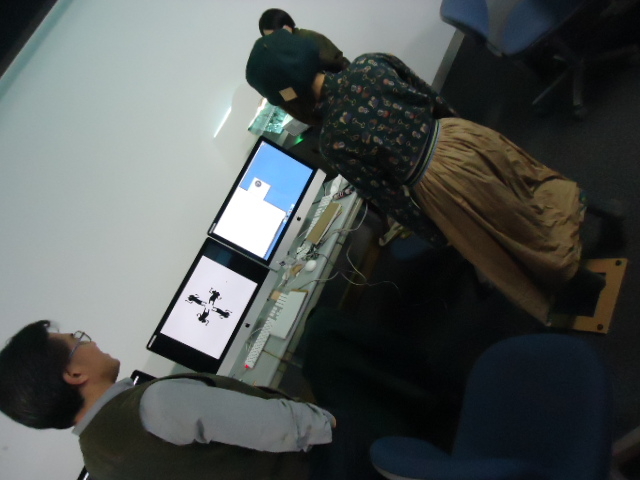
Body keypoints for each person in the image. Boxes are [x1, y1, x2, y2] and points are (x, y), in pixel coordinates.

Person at [246, 30, 608, 325]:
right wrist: (465, 133)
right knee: (524, 188)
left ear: (286, 99)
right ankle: (578, 213)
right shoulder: (372, 63)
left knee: (507, 236)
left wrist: (437, 234)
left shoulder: (332, 141)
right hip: (461, 138)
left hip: (441, 183)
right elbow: (433, 99)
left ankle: (570, 276)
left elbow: (389, 197)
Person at [0, 320, 356, 480]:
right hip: (326, 465)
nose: (91, 342)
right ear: (75, 374)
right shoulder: (157, 403)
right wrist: (339, 425)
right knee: (330, 342)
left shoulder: (98, 465)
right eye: (78, 340)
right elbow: (293, 427)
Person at [257, 8, 349, 126]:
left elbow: (339, 66)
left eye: (276, 36)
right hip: (319, 111)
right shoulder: (278, 56)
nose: (274, 43)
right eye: (269, 39)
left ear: (287, 28)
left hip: (339, 97)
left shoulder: (308, 40)